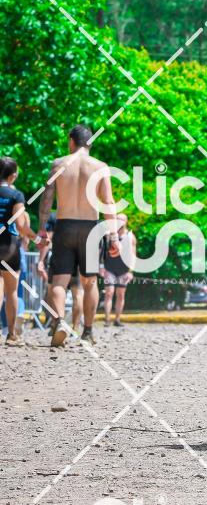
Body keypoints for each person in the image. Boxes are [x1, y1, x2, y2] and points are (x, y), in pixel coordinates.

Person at [37, 125, 119, 347]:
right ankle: (88, 331)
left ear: (71, 140)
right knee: (90, 282)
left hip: (64, 225)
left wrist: (42, 229)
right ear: (90, 143)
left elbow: (47, 198)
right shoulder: (100, 167)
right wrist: (113, 236)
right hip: (90, 227)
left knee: (59, 281)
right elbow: (108, 202)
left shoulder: (58, 164)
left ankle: (60, 323)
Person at [0, 157, 36, 344]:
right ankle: (12, 335)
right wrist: (38, 238)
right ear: (12, 176)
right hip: (9, 245)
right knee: (11, 291)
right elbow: (21, 226)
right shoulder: (16, 195)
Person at [37, 212, 84, 333]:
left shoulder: (54, 216)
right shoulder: (83, 214)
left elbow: (47, 239)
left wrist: (41, 260)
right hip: (78, 258)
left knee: (54, 289)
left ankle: (56, 324)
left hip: (60, 257)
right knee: (77, 293)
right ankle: (76, 328)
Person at [99, 213, 136, 327]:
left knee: (120, 294)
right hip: (109, 268)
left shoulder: (130, 236)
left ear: (126, 222)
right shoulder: (108, 235)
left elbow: (133, 255)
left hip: (123, 269)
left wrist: (130, 271)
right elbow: (102, 252)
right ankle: (107, 320)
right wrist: (101, 266)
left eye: (122, 220)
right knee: (109, 293)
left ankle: (117, 319)